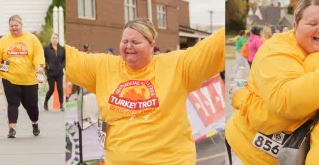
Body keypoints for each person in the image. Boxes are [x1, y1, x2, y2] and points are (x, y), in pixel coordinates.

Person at [66, 18, 225, 165]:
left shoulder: (177, 65)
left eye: (135, 42)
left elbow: (214, 48)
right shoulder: (103, 67)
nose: (128, 46)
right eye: (125, 41)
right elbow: (69, 59)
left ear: (151, 45)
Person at [226, 0, 319, 165]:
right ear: (295, 25)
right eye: (313, 24)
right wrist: (242, 99)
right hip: (249, 153)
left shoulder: (312, 54)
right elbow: (285, 106)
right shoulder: (277, 51)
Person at [0, 15, 45, 138]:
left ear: (21, 25)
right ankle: (12, 129)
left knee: (32, 105)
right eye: (11, 26)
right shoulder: (3, 41)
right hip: (10, 78)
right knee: (12, 103)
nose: (14, 28)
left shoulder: (32, 39)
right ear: (9, 27)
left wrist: (39, 66)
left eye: (16, 26)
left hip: (29, 80)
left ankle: (35, 123)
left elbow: (38, 55)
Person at [43, 33, 65, 111]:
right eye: (53, 38)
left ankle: (61, 105)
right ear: (51, 39)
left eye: (55, 38)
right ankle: (45, 102)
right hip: (50, 73)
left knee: (60, 89)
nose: (54, 39)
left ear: (58, 39)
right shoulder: (46, 48)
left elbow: (65, 59)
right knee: (51, 89)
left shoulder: (62, 49)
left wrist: (62, 66)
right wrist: (46, 67)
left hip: (59, 73)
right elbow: (43, 59)